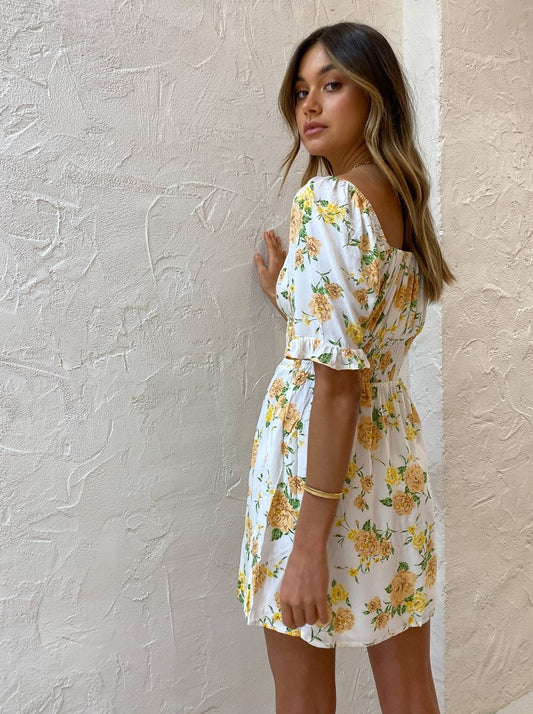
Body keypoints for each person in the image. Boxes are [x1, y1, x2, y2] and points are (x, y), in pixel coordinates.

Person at [237, 21, 454, 714]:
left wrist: (307, 545)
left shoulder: (329, 204)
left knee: (301, 693)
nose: (309, 104)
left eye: (331, 85)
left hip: (317, 478)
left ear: (374, 95)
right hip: (388, 469)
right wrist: (293, 296)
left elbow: (333, 385)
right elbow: (363, 338)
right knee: (409, 687)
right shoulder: (399, 201)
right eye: (301, 89)